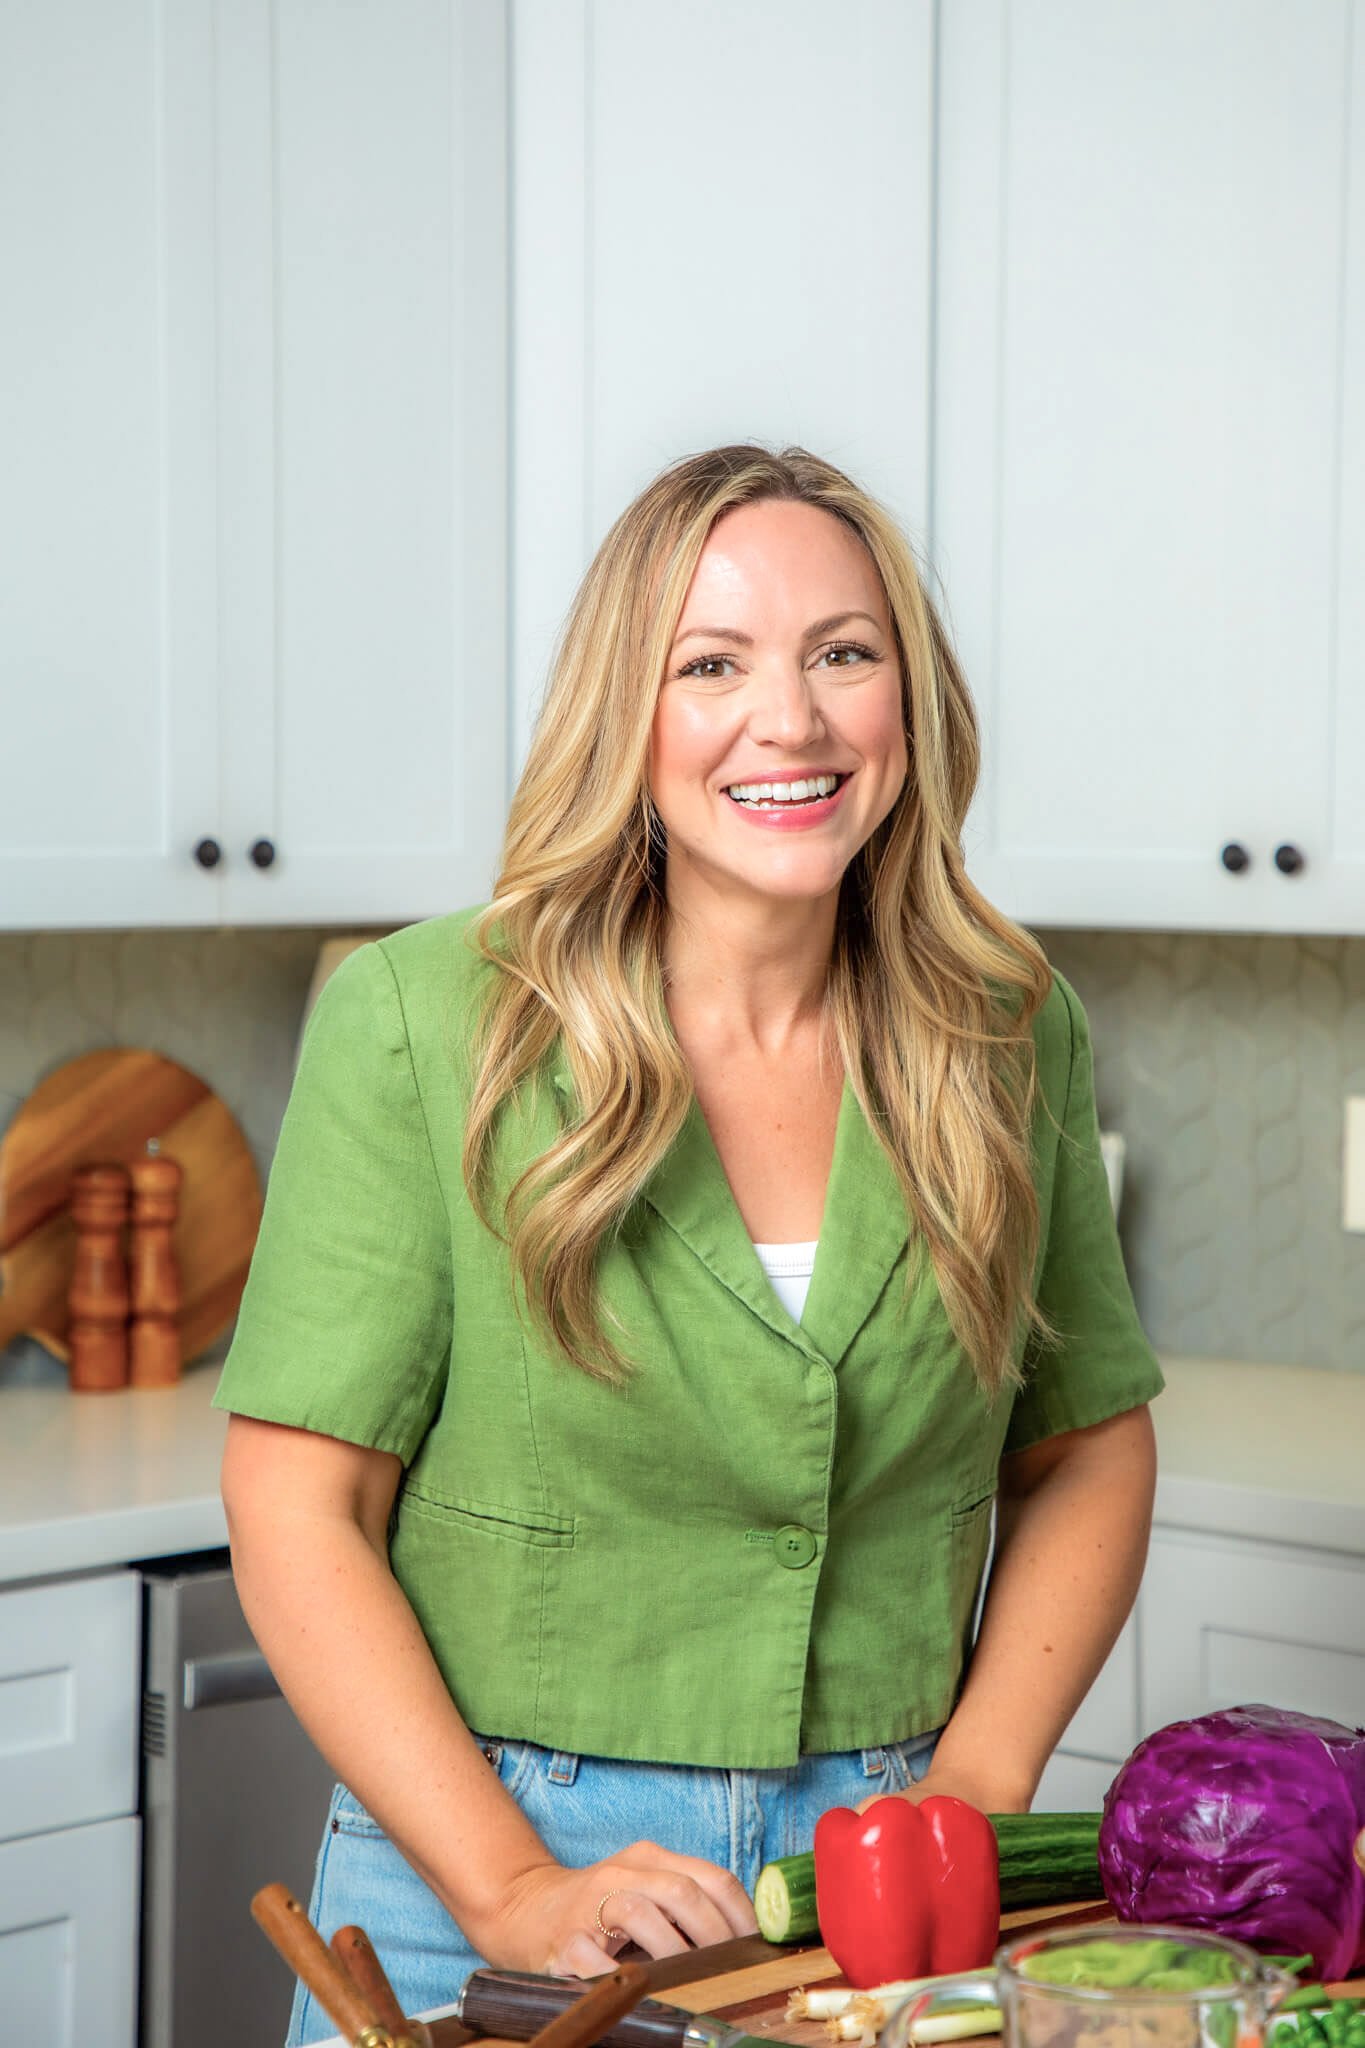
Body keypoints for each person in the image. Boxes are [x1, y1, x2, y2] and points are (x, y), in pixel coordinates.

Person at [215, 444, 1162, 2044]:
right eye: (708, 664)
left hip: (880, 1887)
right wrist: (515, 1886)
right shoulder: (424, 1023)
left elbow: (1084, 1449)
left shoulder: (1004, 1031)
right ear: (622, 712)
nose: (786, 721)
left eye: (841, 655)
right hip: (484, 1882)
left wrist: (973, 1801)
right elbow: (299, 1501)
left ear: (907, 701)